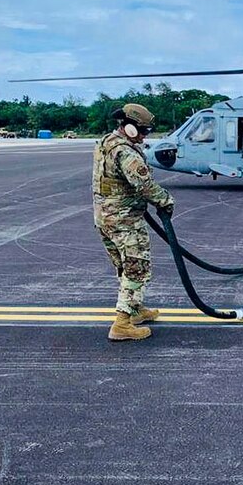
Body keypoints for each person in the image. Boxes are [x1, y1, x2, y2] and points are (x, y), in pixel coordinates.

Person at [93, 103, 175, 341]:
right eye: (143, 131)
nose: (144, 136)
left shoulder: (107, 142)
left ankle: (135, 309)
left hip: (105, 218)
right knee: (136, 269)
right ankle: (122, 323)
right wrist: (165, 200)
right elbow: (144, 185)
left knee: (125, 267)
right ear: (129, 127)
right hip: (124, 221)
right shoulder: (126, 152)